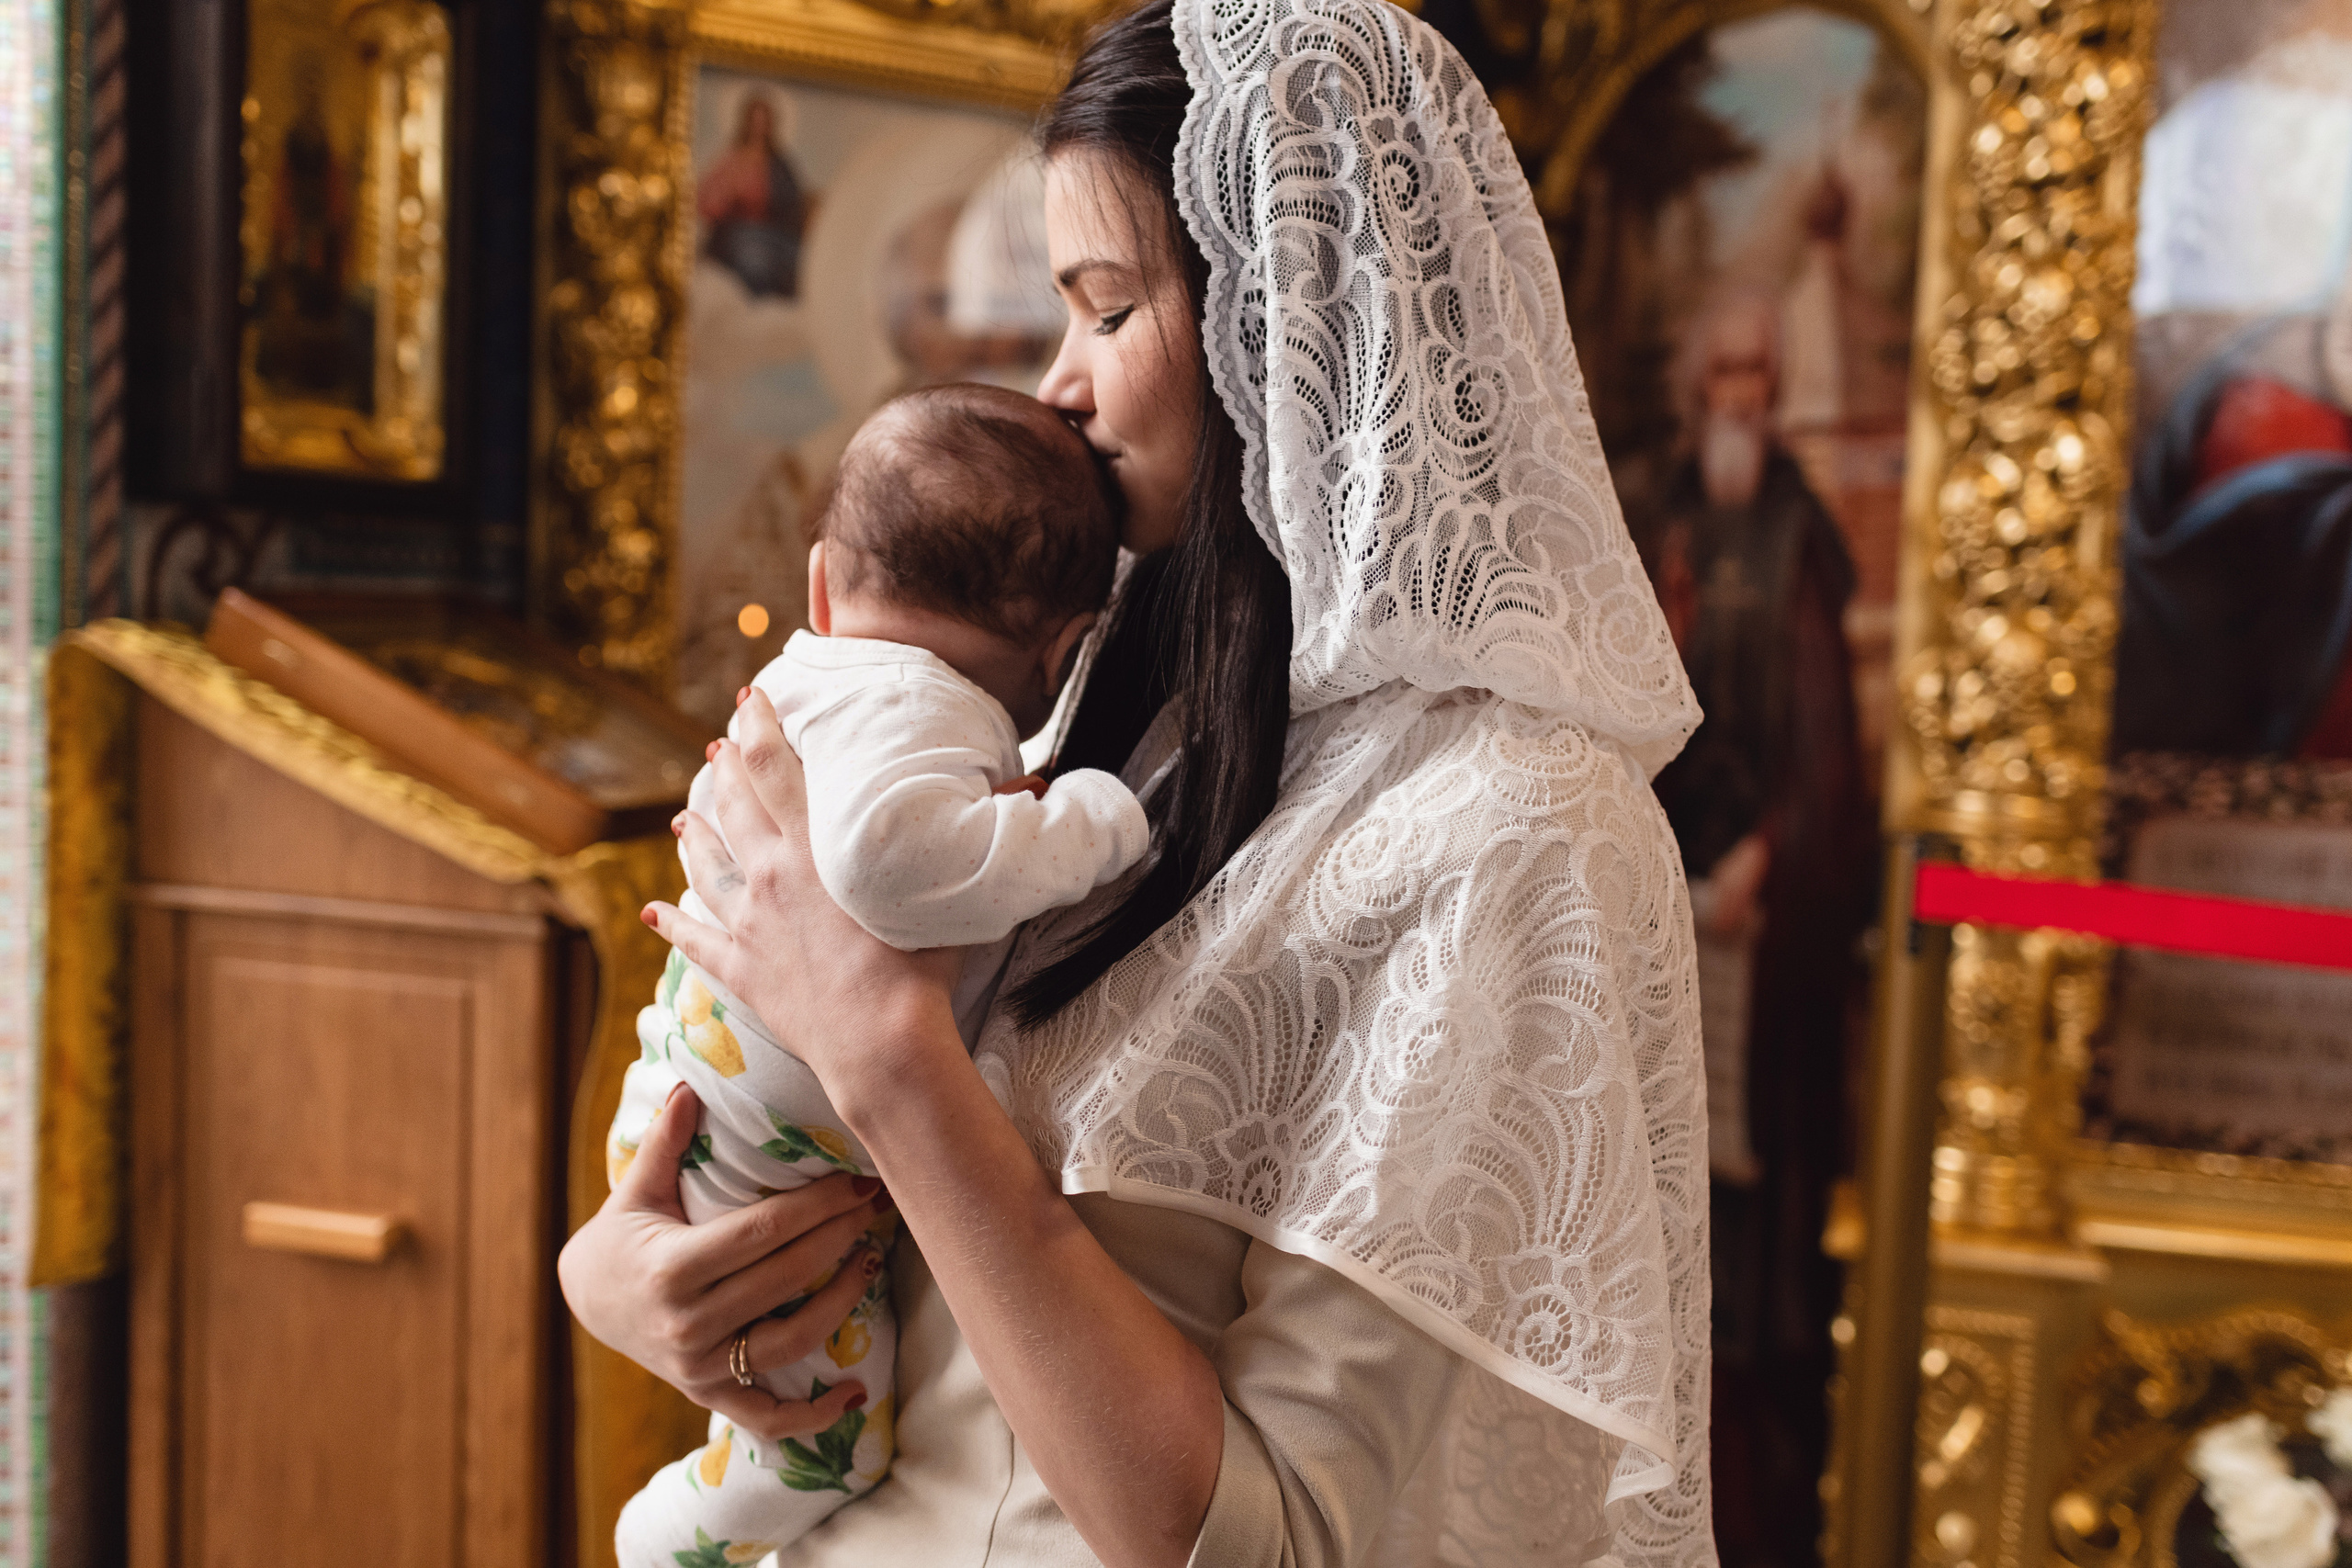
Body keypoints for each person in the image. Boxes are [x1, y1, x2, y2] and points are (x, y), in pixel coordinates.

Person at [561, 2, 1714, 1564]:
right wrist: (630, 1276)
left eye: (1109, 311)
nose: (1058, 389)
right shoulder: (1094, 705)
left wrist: (889, 1056)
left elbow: (1273, 1541)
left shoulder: (1512, 826)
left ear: (1306, 322)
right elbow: (797, 1153)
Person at [606, 384, 1143, 1565]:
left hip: (708, 1109)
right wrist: (1087, 827)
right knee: (827, 1442)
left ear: (817, 587)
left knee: (799, 1391)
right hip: (760, 1157)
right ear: (1062, 654)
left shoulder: (824, 679)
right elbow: (883, 862)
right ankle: (666, 1541)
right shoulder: (928, 712)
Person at [1632, 297, 1871, 1567]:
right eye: (1720, 369)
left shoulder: (1802, 536)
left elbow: (1831, 743)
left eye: (1757, 373)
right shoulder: (1652, 509)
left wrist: (1768, 854)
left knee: (1748, 1172)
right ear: (1696, 382)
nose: (1738, 393)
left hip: (1757, 912)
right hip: (1651, 892)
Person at [700, 94, 810, 299]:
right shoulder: (732, 159)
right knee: (755, 261)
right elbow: (709, 201)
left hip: (777, 234)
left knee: (801, 261)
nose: (759, 127)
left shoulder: (780, 164)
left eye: (764, 121)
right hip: (737, 235)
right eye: (755, 120)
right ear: (747, 122)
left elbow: (793, 204)